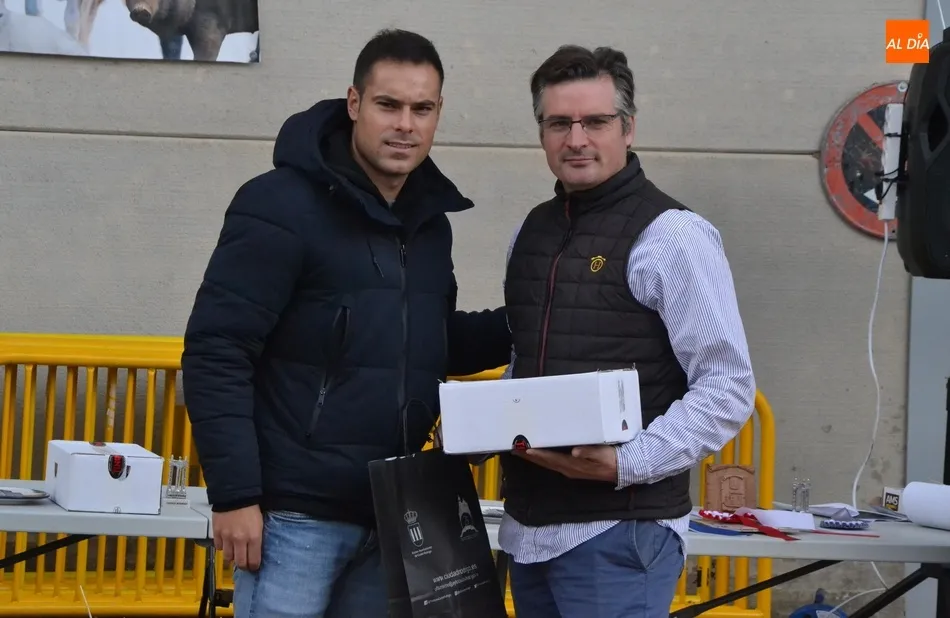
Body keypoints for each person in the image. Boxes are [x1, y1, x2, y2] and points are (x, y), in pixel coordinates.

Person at [180, 28, 511, 618]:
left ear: (438, 114)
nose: (404, 125)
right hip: (294, 520)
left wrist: (533, 321)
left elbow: (426, 341)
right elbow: (217, 351)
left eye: (421, 109)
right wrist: (234, 496)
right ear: (354, 103)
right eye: (388, 105)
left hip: (396, 515)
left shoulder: (429, 225)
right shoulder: (279, 204)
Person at [496, 44, 757, 617]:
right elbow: (526, 361)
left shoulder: (673, 236)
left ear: (628, 127)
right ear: (541, 133)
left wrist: (628, 463)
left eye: (595, 121)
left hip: (619, 534)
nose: (576, 139)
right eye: (559, 123)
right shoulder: (531, 232)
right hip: (528, 531)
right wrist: (487, 426)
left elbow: (727, 386)